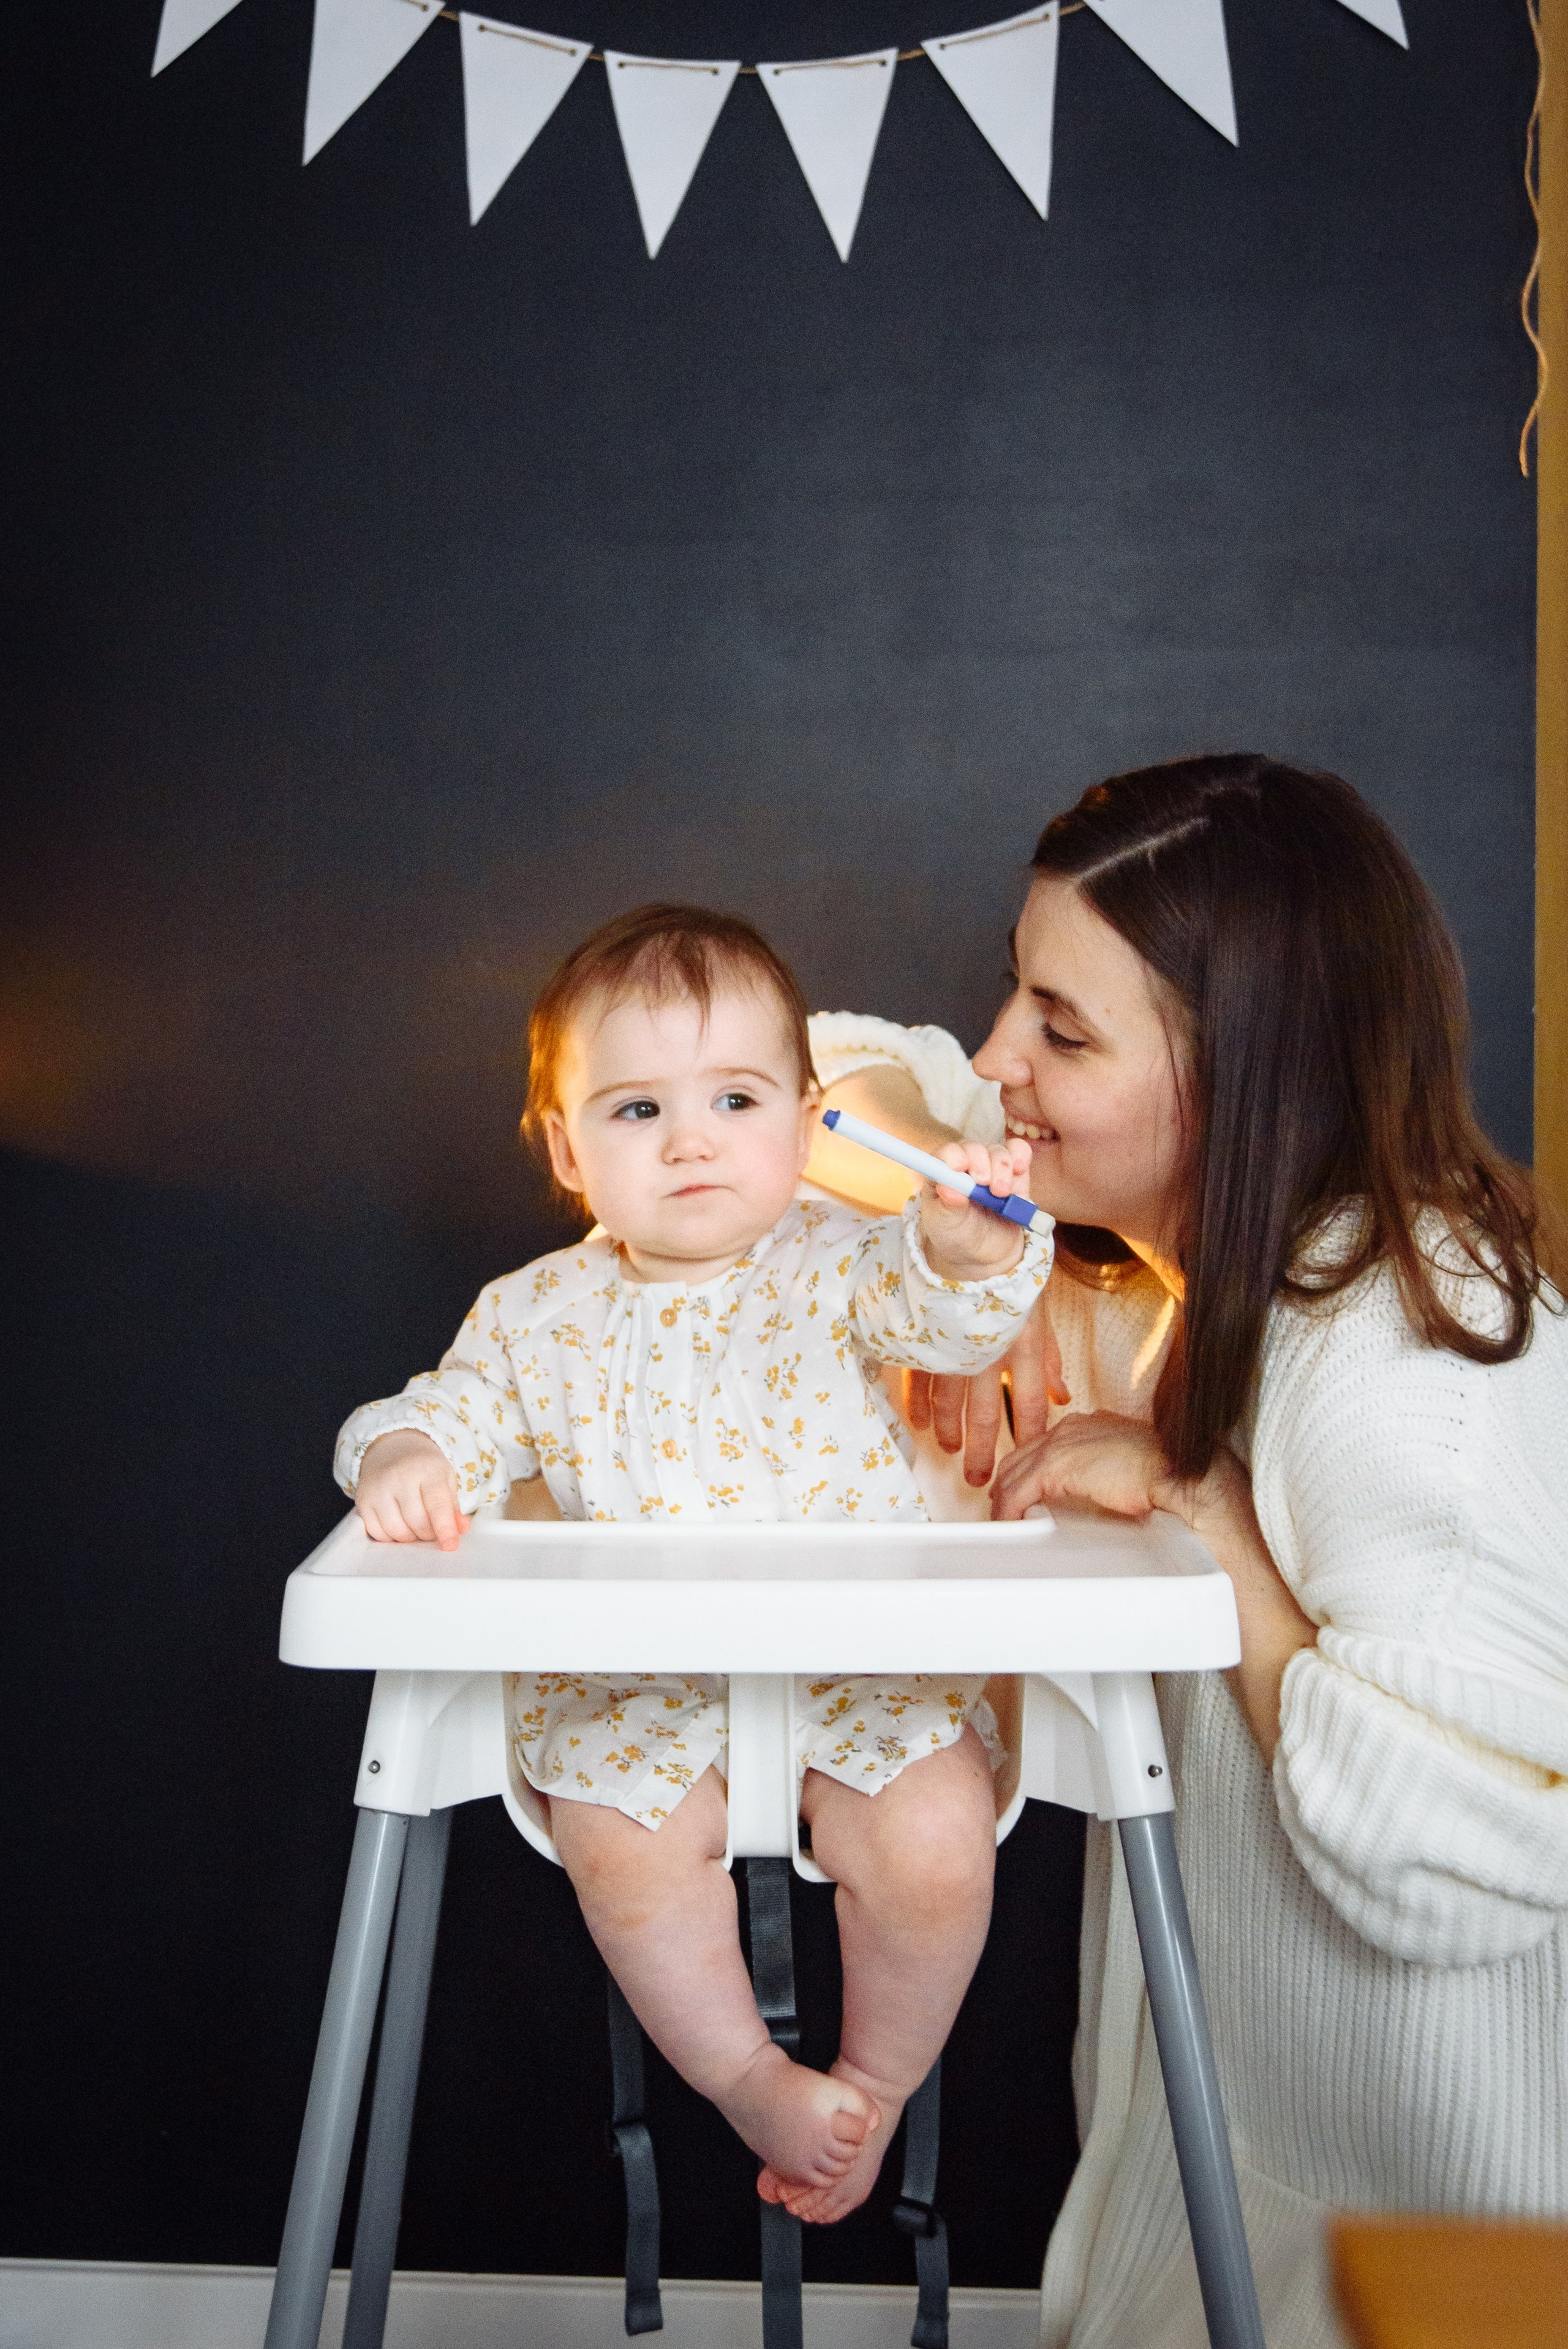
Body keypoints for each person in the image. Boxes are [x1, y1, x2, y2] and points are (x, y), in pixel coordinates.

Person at [804, 754, 1568, 2349]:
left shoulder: (1403, 1370)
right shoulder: (1177, 1288)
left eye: (1062, 1028)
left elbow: (1474, 1846)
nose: (1003, 1054)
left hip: (1434, 2257)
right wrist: (958, 1296)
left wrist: (1205, 1517)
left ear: (1253, 1068)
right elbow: (826, 1081)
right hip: (1244, 2216)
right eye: (1016, 994)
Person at [334, 904, 1053, 2225]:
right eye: (634, 1111)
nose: (691, 1140)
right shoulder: (535, 1312)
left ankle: (876, 2086)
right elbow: (450, 1407)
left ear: (802, 1116)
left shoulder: (840, 1268)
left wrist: (964, 1246)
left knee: (942, 1835)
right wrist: (404, 1454)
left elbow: (943, 1318)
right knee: (618, 1847)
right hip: (640, 1691)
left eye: (733, 1097)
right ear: (565, 1148)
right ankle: (741, 2077)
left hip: (855, 1675)